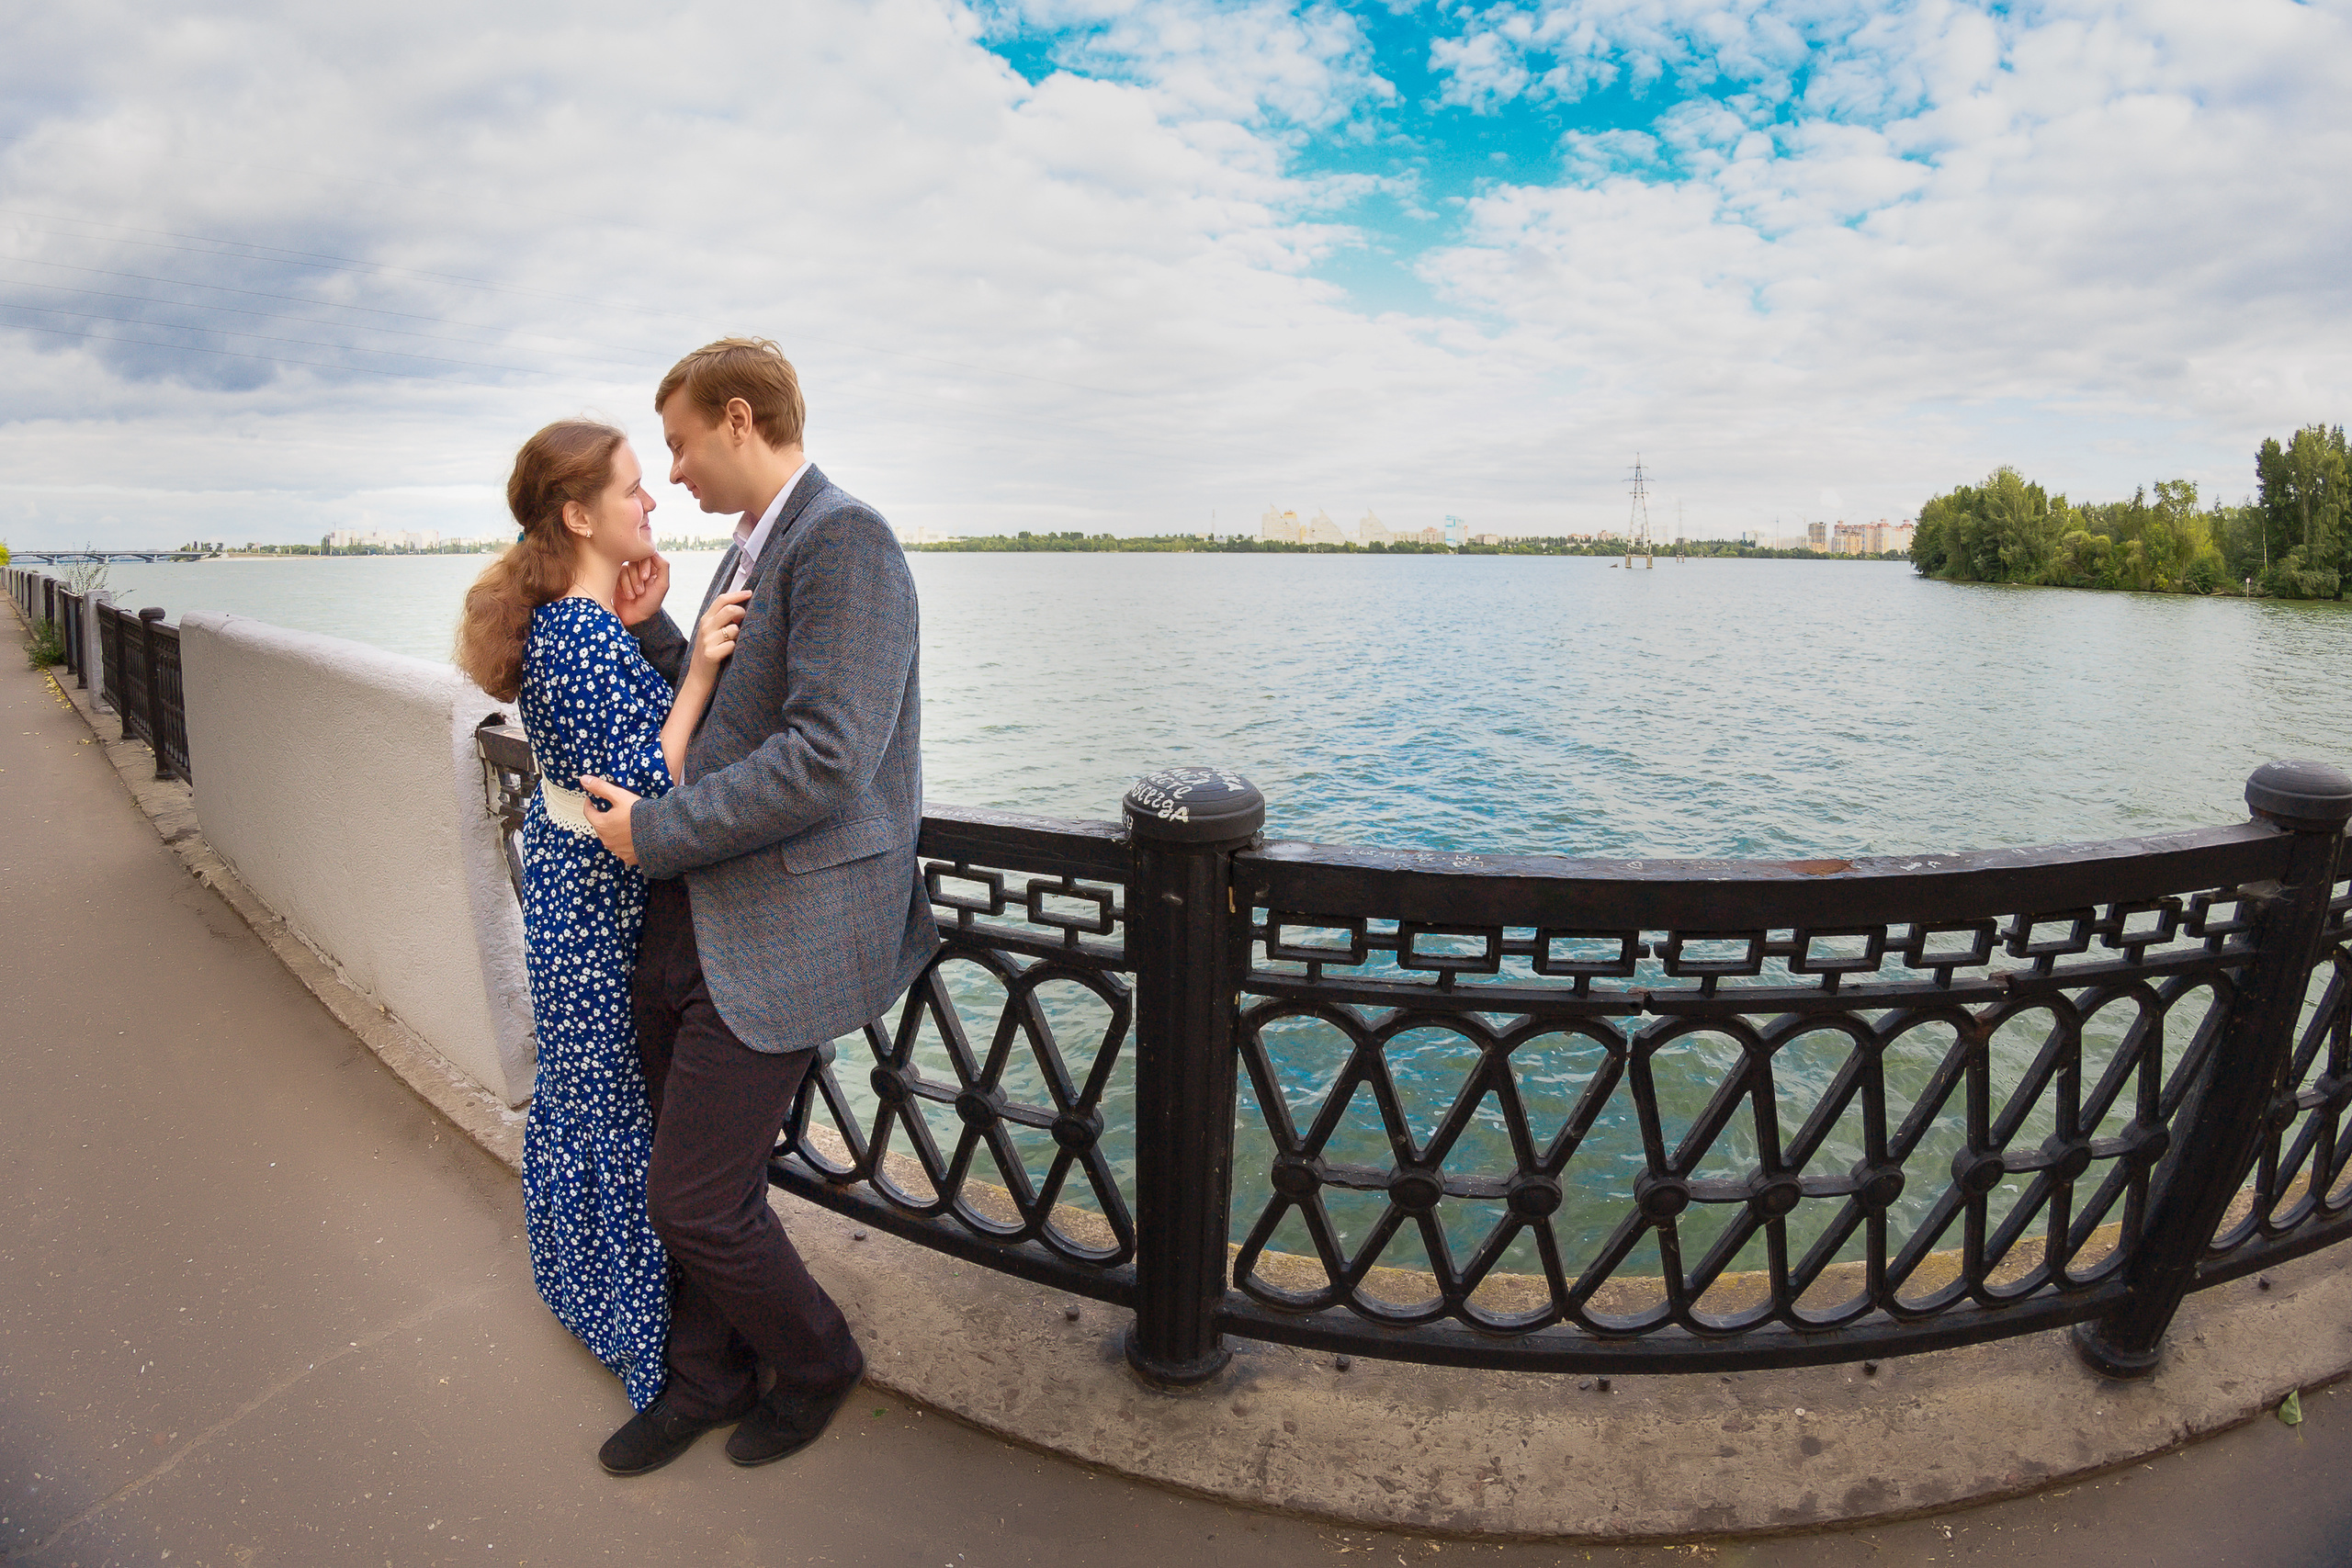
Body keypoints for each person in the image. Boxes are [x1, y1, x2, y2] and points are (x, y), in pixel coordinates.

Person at [576, 338, 937, 1476]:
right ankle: (708, 1380)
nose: (672, 472)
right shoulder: (753, 545)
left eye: (679, 443)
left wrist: (656, 834)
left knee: (691, 1200)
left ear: (739, 419)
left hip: (779, 926)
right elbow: (740, 718)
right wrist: (654, 633)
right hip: (698, 916)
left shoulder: (846, 540)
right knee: (695, 1183)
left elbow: (829, 756)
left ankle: (818, 1359)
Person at [453, 420, 750, 1424]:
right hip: (596, 910)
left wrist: (649, 627)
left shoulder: (581, 627)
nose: (650, 502)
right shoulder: (577, 637)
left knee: (597, 1108)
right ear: (578, 515)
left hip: (578, 900)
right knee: (618, 1115)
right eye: (631, 489)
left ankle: (610, 1301)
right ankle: (640, 1335)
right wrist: (700, 666)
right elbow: (649, 785)